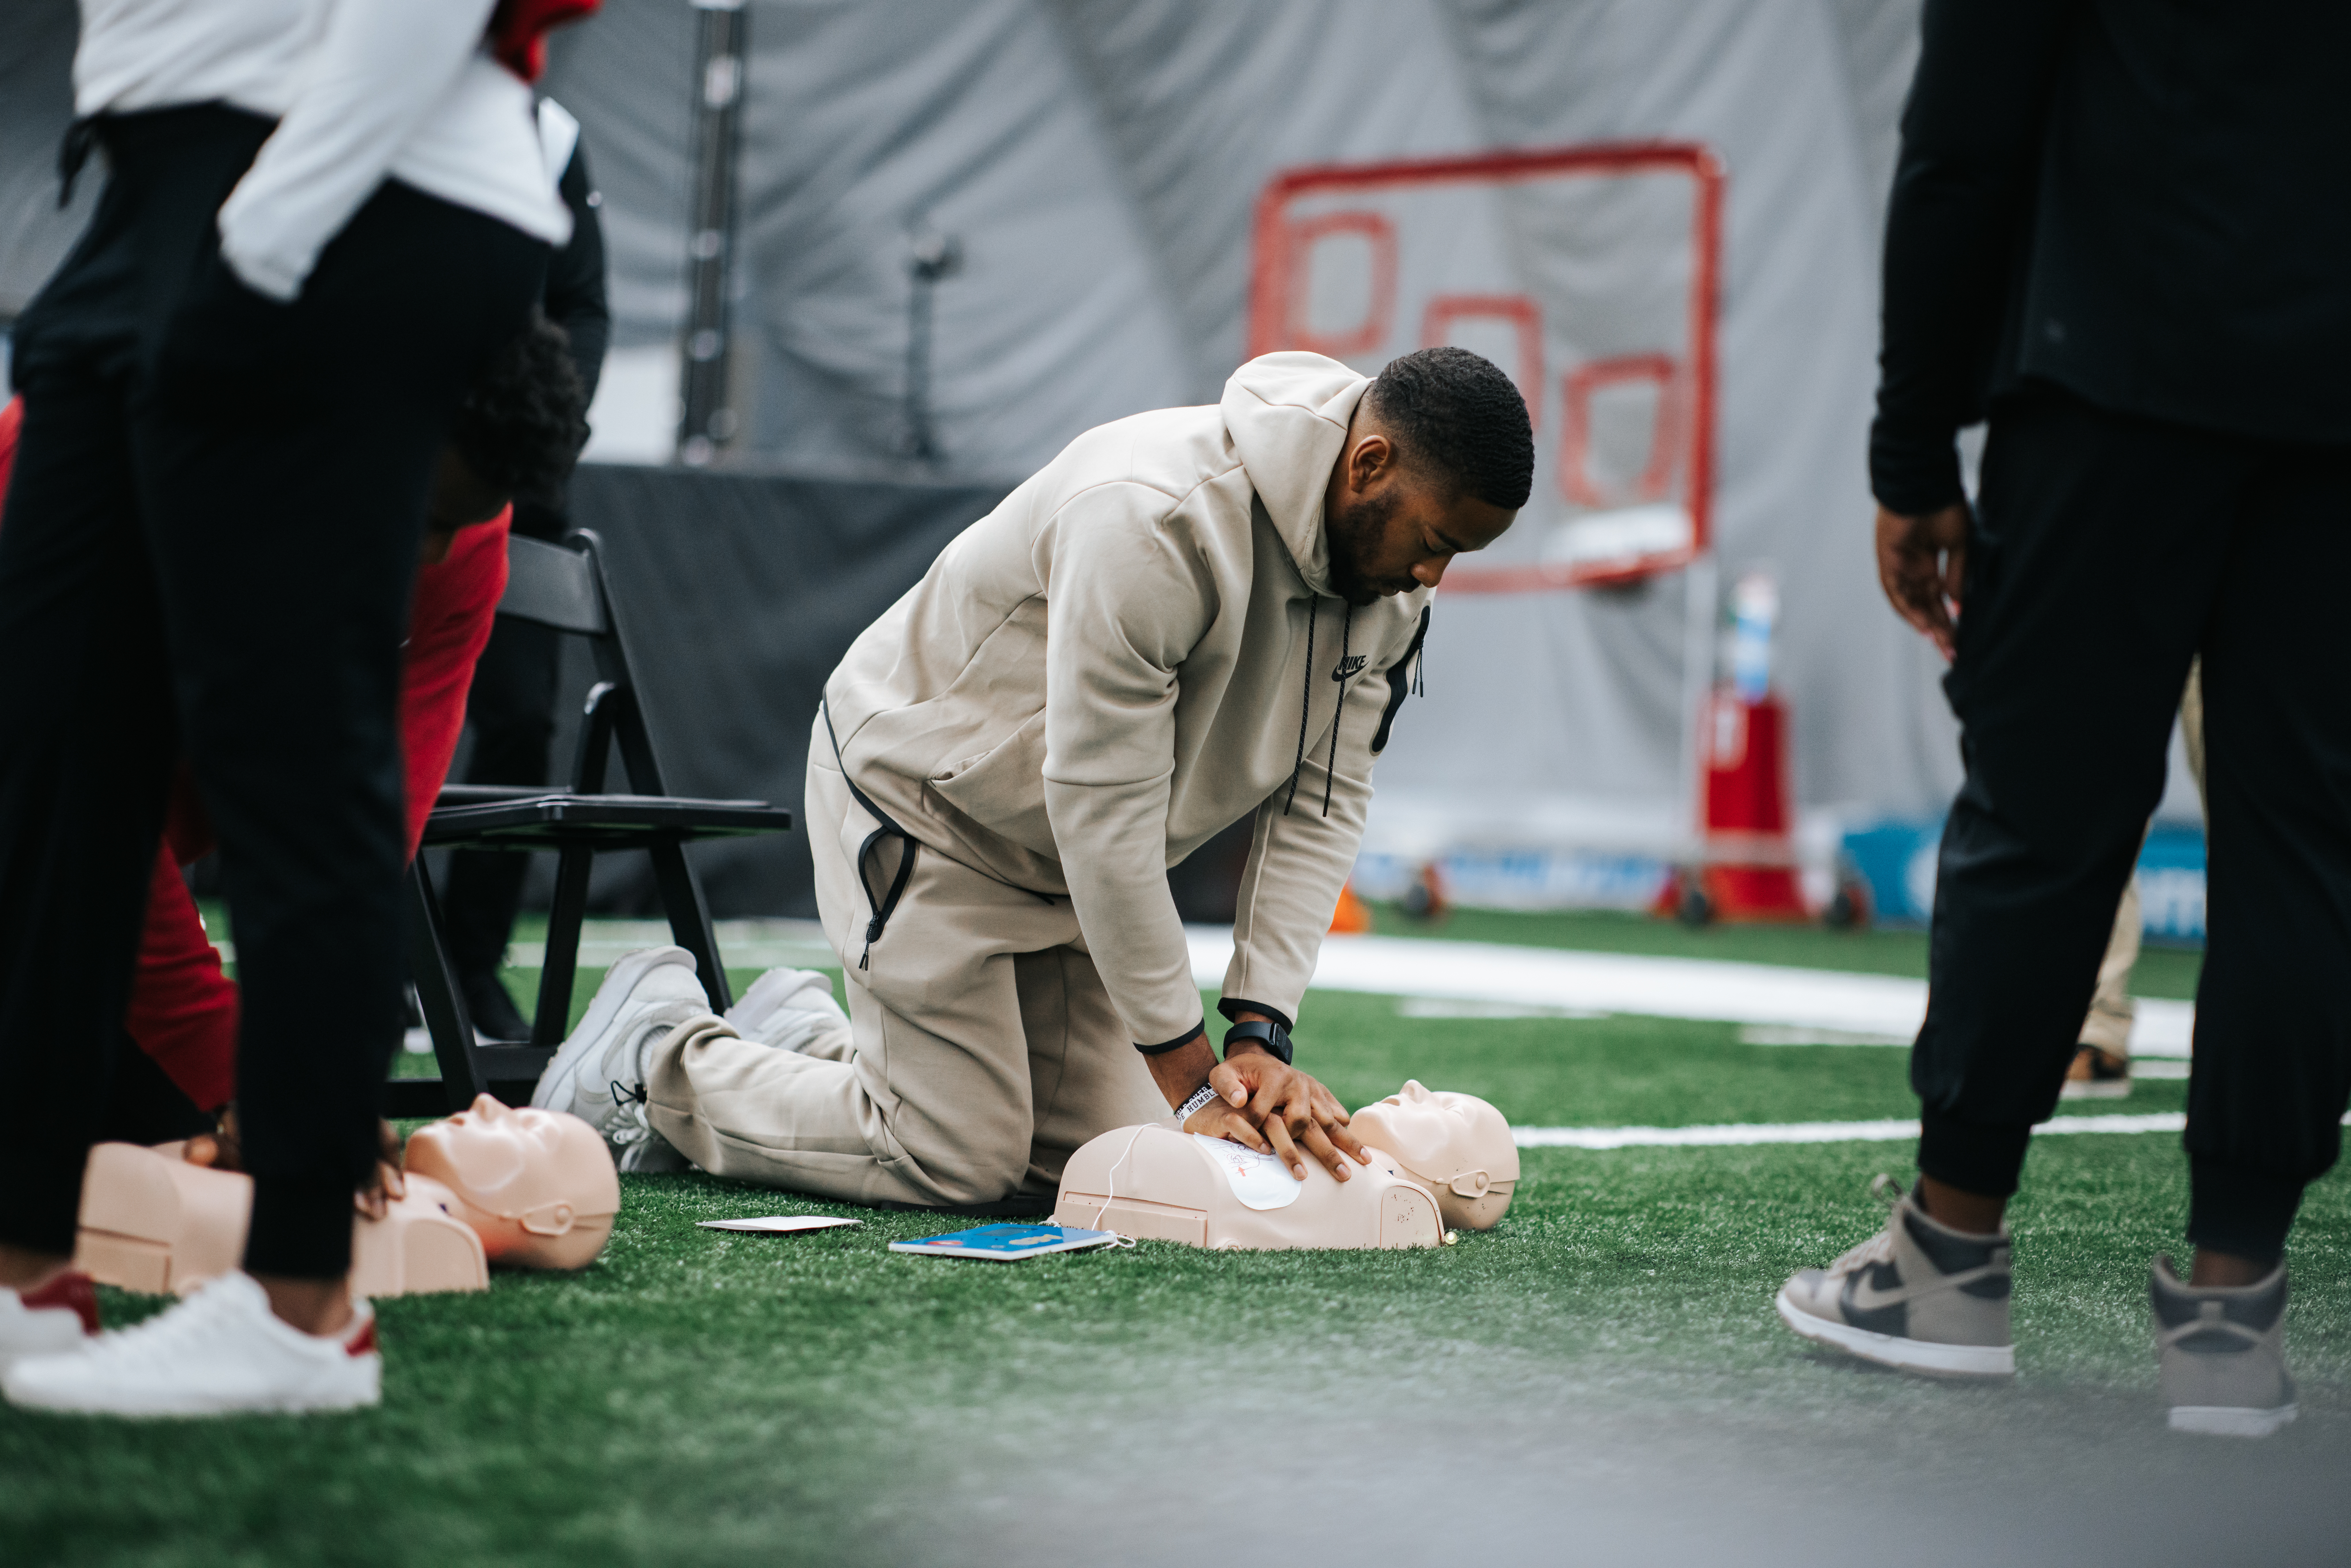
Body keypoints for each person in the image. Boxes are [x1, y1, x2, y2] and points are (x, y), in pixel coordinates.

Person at [531, 347, 1530, 1208]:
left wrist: (1259, 1037)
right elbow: (1102, 807)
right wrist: (1190, 1078)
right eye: (1436, 543)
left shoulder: (1387, 585)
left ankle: (801, 1038)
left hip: (1066, 865)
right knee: (955, 1160)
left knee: (1099, 1165)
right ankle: (655, 1056)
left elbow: (1321, 806)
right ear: (1369, 464)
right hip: (927, 808)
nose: (1433, 580)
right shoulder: (1152, 515)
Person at [0, 0, 589, 1416]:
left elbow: (375, 786)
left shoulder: (463, 534)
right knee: (54, 747)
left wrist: (270, 236)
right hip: (148, 182)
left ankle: (300, 1310)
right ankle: (28, 1291)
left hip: (341, 185)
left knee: (291, 753)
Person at [1775, 0, 2350, 1438]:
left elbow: (1962, 143)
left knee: (2042, 813)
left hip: (2113, 376)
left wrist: (1911, 448)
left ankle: (1944, 1262)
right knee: (2305, 851)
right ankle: (2231, 1321)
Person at [441, 99, 611, 1044]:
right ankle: (383, 955)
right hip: (391, 463)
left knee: (518, 724)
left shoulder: (548, 131)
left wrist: (533, 438)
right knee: (362, 728)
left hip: (513, 478)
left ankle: (466, 962)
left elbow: (584, 302)